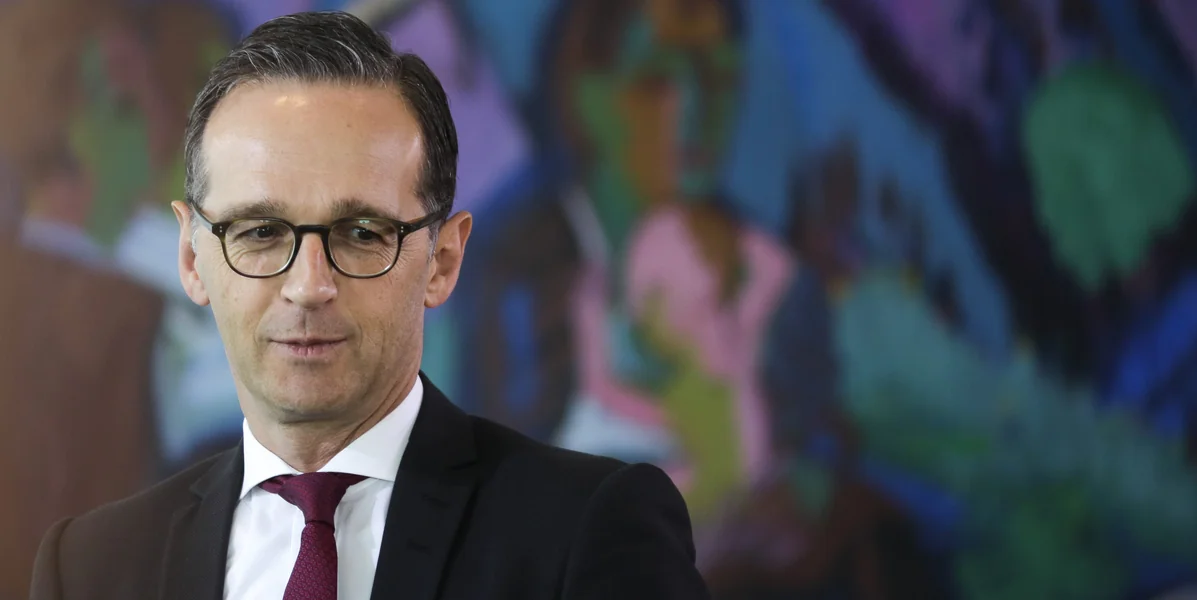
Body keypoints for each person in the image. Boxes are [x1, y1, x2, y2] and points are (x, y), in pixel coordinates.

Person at [28, 10, 709, 600]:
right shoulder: (89, 566)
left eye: (361, 234)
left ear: (443, 260)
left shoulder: (589, 527)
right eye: (261, 233)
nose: (309, 285)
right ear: (191, 258)